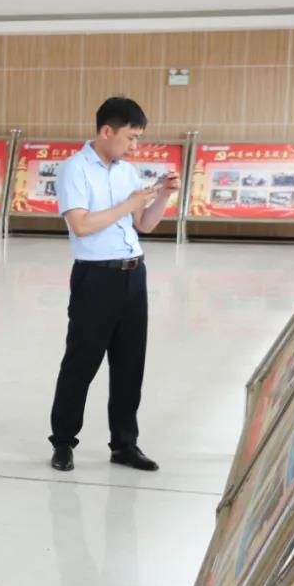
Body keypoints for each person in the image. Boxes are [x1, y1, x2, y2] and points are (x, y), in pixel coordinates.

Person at [47, 96, 180, 473]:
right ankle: (63, 441)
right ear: (107, 131)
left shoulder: (127, 172)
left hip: (133, 273)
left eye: (138, 138)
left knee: (130, 363)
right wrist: (129, 203)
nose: (134, 145)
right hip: (96, 277)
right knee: (81, 361)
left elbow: (145, 225)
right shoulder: (74, 169)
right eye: (131, 137)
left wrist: (163, 195)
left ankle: (124, 444)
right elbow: (81, 225)